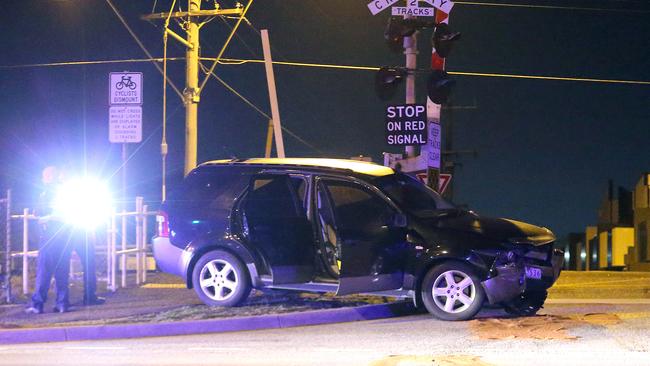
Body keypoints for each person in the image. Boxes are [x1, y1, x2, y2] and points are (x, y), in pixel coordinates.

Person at [26, 166, 73, 314]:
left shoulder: (46, 193)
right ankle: (62, 303)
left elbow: (38, 213)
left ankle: (37, 304)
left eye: (45, 176)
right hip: (65, 235)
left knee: (44, 270)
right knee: (62, 270)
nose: (42, 179)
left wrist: (44, 217)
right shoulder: (68, 191)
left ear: (49, 177)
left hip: (49, 235)